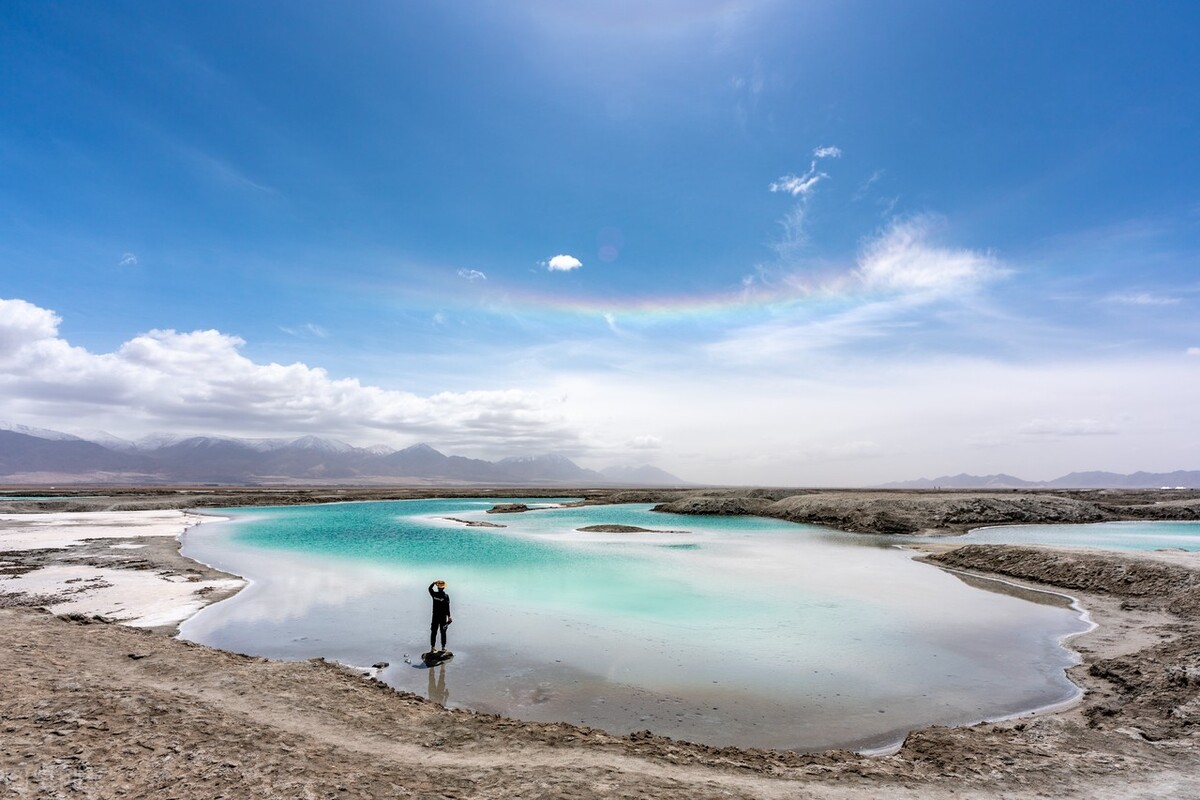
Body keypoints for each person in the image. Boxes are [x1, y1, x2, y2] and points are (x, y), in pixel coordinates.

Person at [428, 580, 452, 653]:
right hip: (442, 617)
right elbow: (447, 607)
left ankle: (433, 647)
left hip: (435, 616)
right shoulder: (446, 596)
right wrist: (449, 616)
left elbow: (429, 589)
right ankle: (443, 647)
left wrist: (433, 583)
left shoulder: (434, 594)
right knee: (443, 632)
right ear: (444, 588)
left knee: (434, 632)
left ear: (438, 588)